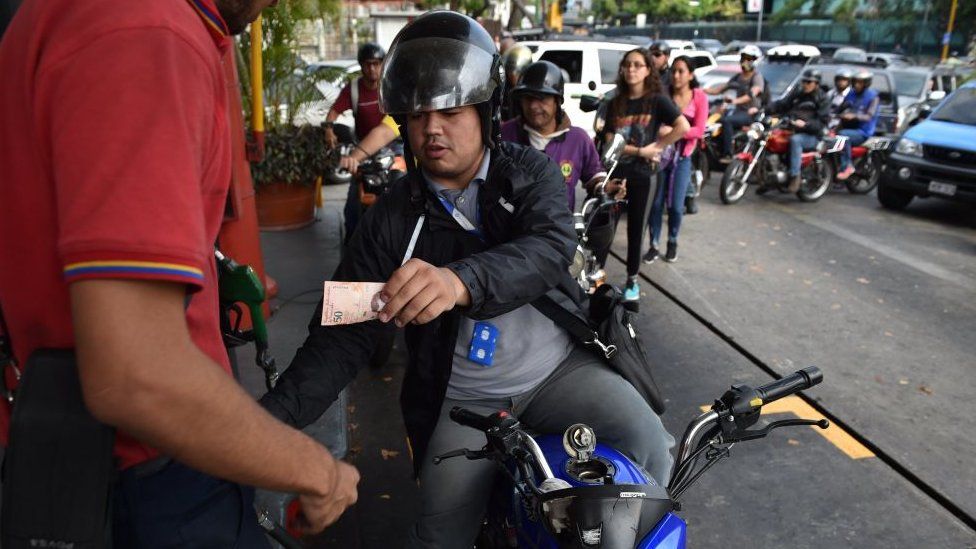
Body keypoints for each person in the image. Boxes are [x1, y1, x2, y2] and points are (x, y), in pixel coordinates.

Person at [257, 11, 675, 548]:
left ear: (485, 111)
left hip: (556, 372)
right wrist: (265, 426)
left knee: (650, 448)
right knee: (437, 535)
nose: (432, 128)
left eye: (451, 111)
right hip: (464, 402)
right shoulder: (390, 219)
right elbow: (341, 336)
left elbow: (549, 247)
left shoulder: (528, 171)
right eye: (417, 115)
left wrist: (459, 282)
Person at [0, 0, 359, 544]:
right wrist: (318, 471)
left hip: (82, 456)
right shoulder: (148, 31)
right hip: (146, 475)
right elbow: (136, 374)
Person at [600, 48, 689, 301]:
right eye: (627, 64)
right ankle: (596, 274)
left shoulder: (657, 100)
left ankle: (632, 280)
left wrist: (659, 147)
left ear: (648, 70)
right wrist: (640, 150)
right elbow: (608, 139)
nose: (631, 69)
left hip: (644, 176)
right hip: (616, 173)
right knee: (605, 226)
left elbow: (683, 126)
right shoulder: (615, 101)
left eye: (638, 65)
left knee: (636, 229)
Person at [501, 60, 625, 211]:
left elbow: (593, 175)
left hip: (560, 230)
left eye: (541, 98)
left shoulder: (578, 139)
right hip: (510, 229)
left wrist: (604, 187)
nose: (533, 106)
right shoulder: (503, 134)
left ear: (557, 101)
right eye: (528, 98)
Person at [645, 56, 708, 265]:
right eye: (673, 71)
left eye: (681, 71)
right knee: (655, 203)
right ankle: (653, 244)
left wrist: (675, 131)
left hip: (682, 158)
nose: (676, 75)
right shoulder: (663, 94)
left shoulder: (699, 97)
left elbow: (699, 130)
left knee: (675, 204)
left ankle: (672, 241)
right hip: (660, 156)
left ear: (691, 74)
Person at [324, 42, 388, 239]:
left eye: (377, 64)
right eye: (368, 64)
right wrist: (329, 129)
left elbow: (391, 129)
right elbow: (334, 112)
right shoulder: (353, 89)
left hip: (393, 150)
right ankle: (352, 246)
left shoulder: (391, 85)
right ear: (361, 65)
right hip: (362, 152)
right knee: (353, 205)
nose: (372, 69)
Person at [767, 68, 829, 193]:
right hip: (791, 128)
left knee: (796, 140)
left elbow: (822, 122)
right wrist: (766, 109)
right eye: (804, 81)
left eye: (809, 82)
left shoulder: (823, 98)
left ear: (816, 84)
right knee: (770, 136)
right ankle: (766, 175)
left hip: (812, 136)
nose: (805, 84)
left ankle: (795, 176)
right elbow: (783, 103)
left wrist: (806, 125)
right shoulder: (798, 92)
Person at [703, 44, 765, 163]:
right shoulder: (738, 77)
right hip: (737, 111)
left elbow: (753, 93)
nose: (744, 62)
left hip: (749, 113)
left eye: (748, 59)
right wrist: (702, 90)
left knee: (727, 121)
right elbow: (720, 89)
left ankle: (727, 154)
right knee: (716, 119)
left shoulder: (757, 77)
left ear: (755, 61)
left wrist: (734, 101)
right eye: (743, 58)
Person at [835, 69, 880, 181]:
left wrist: (854, 116)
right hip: (848, 126)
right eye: (855, 82)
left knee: (843, 136)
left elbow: (869, 116)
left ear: (866, 83)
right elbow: (841, 107)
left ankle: (847, 166)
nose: (857, 85)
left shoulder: (873, 97)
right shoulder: (851, 93)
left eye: (860, 82)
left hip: (862, 131)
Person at [500, 44, 534, 121]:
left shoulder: (531, 90)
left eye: (517, 72)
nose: (513, 76)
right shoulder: (502, 88)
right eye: (509, 70)